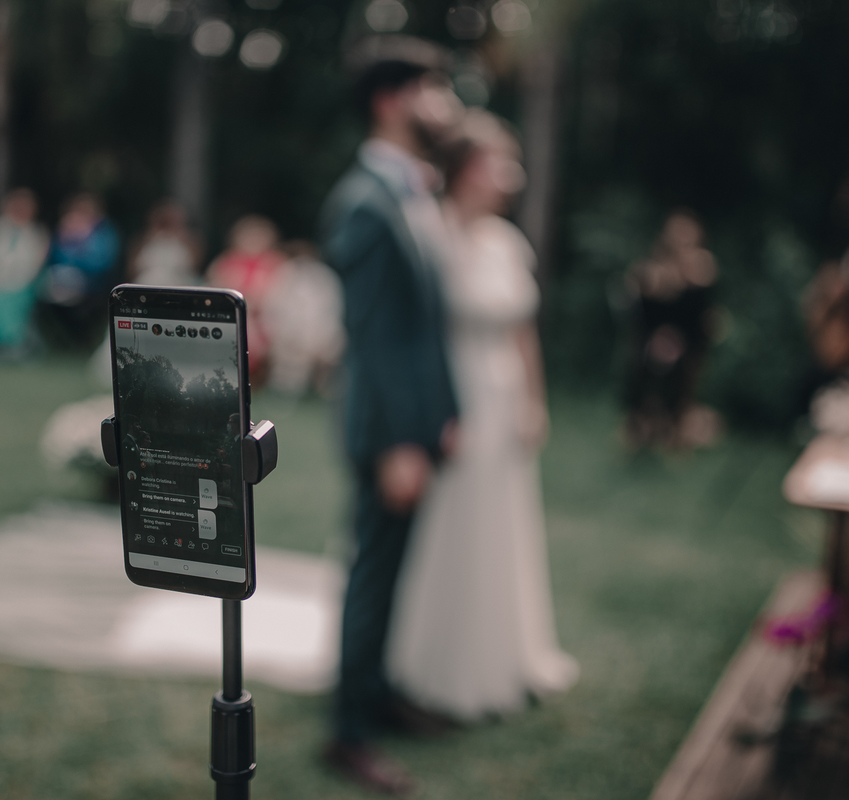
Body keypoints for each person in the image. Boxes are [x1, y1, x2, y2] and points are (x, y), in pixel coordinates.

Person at [386, 109, 579, 722]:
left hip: (503, 401)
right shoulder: (432, 236)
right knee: (452, 529)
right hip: (454, 404)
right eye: (502, 161)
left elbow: (524, 335)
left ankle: (505, 653)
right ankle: (433, 665)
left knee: (502, 525)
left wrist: (534, 403)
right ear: (469, 168)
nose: (513, 175)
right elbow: (417, 340)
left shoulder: (506, 242)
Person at [318, 36, 463, 796]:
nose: (444, 103)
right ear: (388, 99)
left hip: (418, 427)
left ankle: (374, 693)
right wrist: (396, 443)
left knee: (395, 568)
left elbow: (425, 324)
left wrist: (446, 412)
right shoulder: (364, 201)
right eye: (430, 89)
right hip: (384, 434)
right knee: (371, 575)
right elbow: (373, 341)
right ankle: (346, 733)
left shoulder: (414, 189)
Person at [623, 210, 719, 449]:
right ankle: (640, 425)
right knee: (642, 367)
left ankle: (674, 428)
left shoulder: (702, 266)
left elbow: (701, 291)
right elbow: (638, 285)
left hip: (686, 342)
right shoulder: (652, 266)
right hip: (652, 339)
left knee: (682, 378)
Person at [205, 215, 287, 385]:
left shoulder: (274, 262)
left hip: (266, 317)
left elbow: (280, 294)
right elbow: (216, 286)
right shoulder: (227, 261)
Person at [0, 188, 50, 357]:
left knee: (11, 302)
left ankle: (11, 345)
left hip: (23, 284)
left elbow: (35, 265)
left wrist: (17, 283)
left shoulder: (37, 233)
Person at [262, 240, 345, 396]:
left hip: (320, 335)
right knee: (287, 377)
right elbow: (274, 308)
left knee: (327, 377)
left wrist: (323, 339)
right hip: (288, 338)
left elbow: (330, 310)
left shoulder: (324, 276)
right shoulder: (284, 274)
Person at [40, 192, 120, 347]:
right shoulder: (66, 230)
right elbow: (55, 259)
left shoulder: (105, 233)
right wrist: (65, 238)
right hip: (60, 281)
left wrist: (80, 246)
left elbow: (102, 264)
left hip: (93, 286)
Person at [127, 199, 200, 287]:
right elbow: (131, 270)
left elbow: (196, 266)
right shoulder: (143, 240)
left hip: (179, 285)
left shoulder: (189, 240)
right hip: (147, 285)